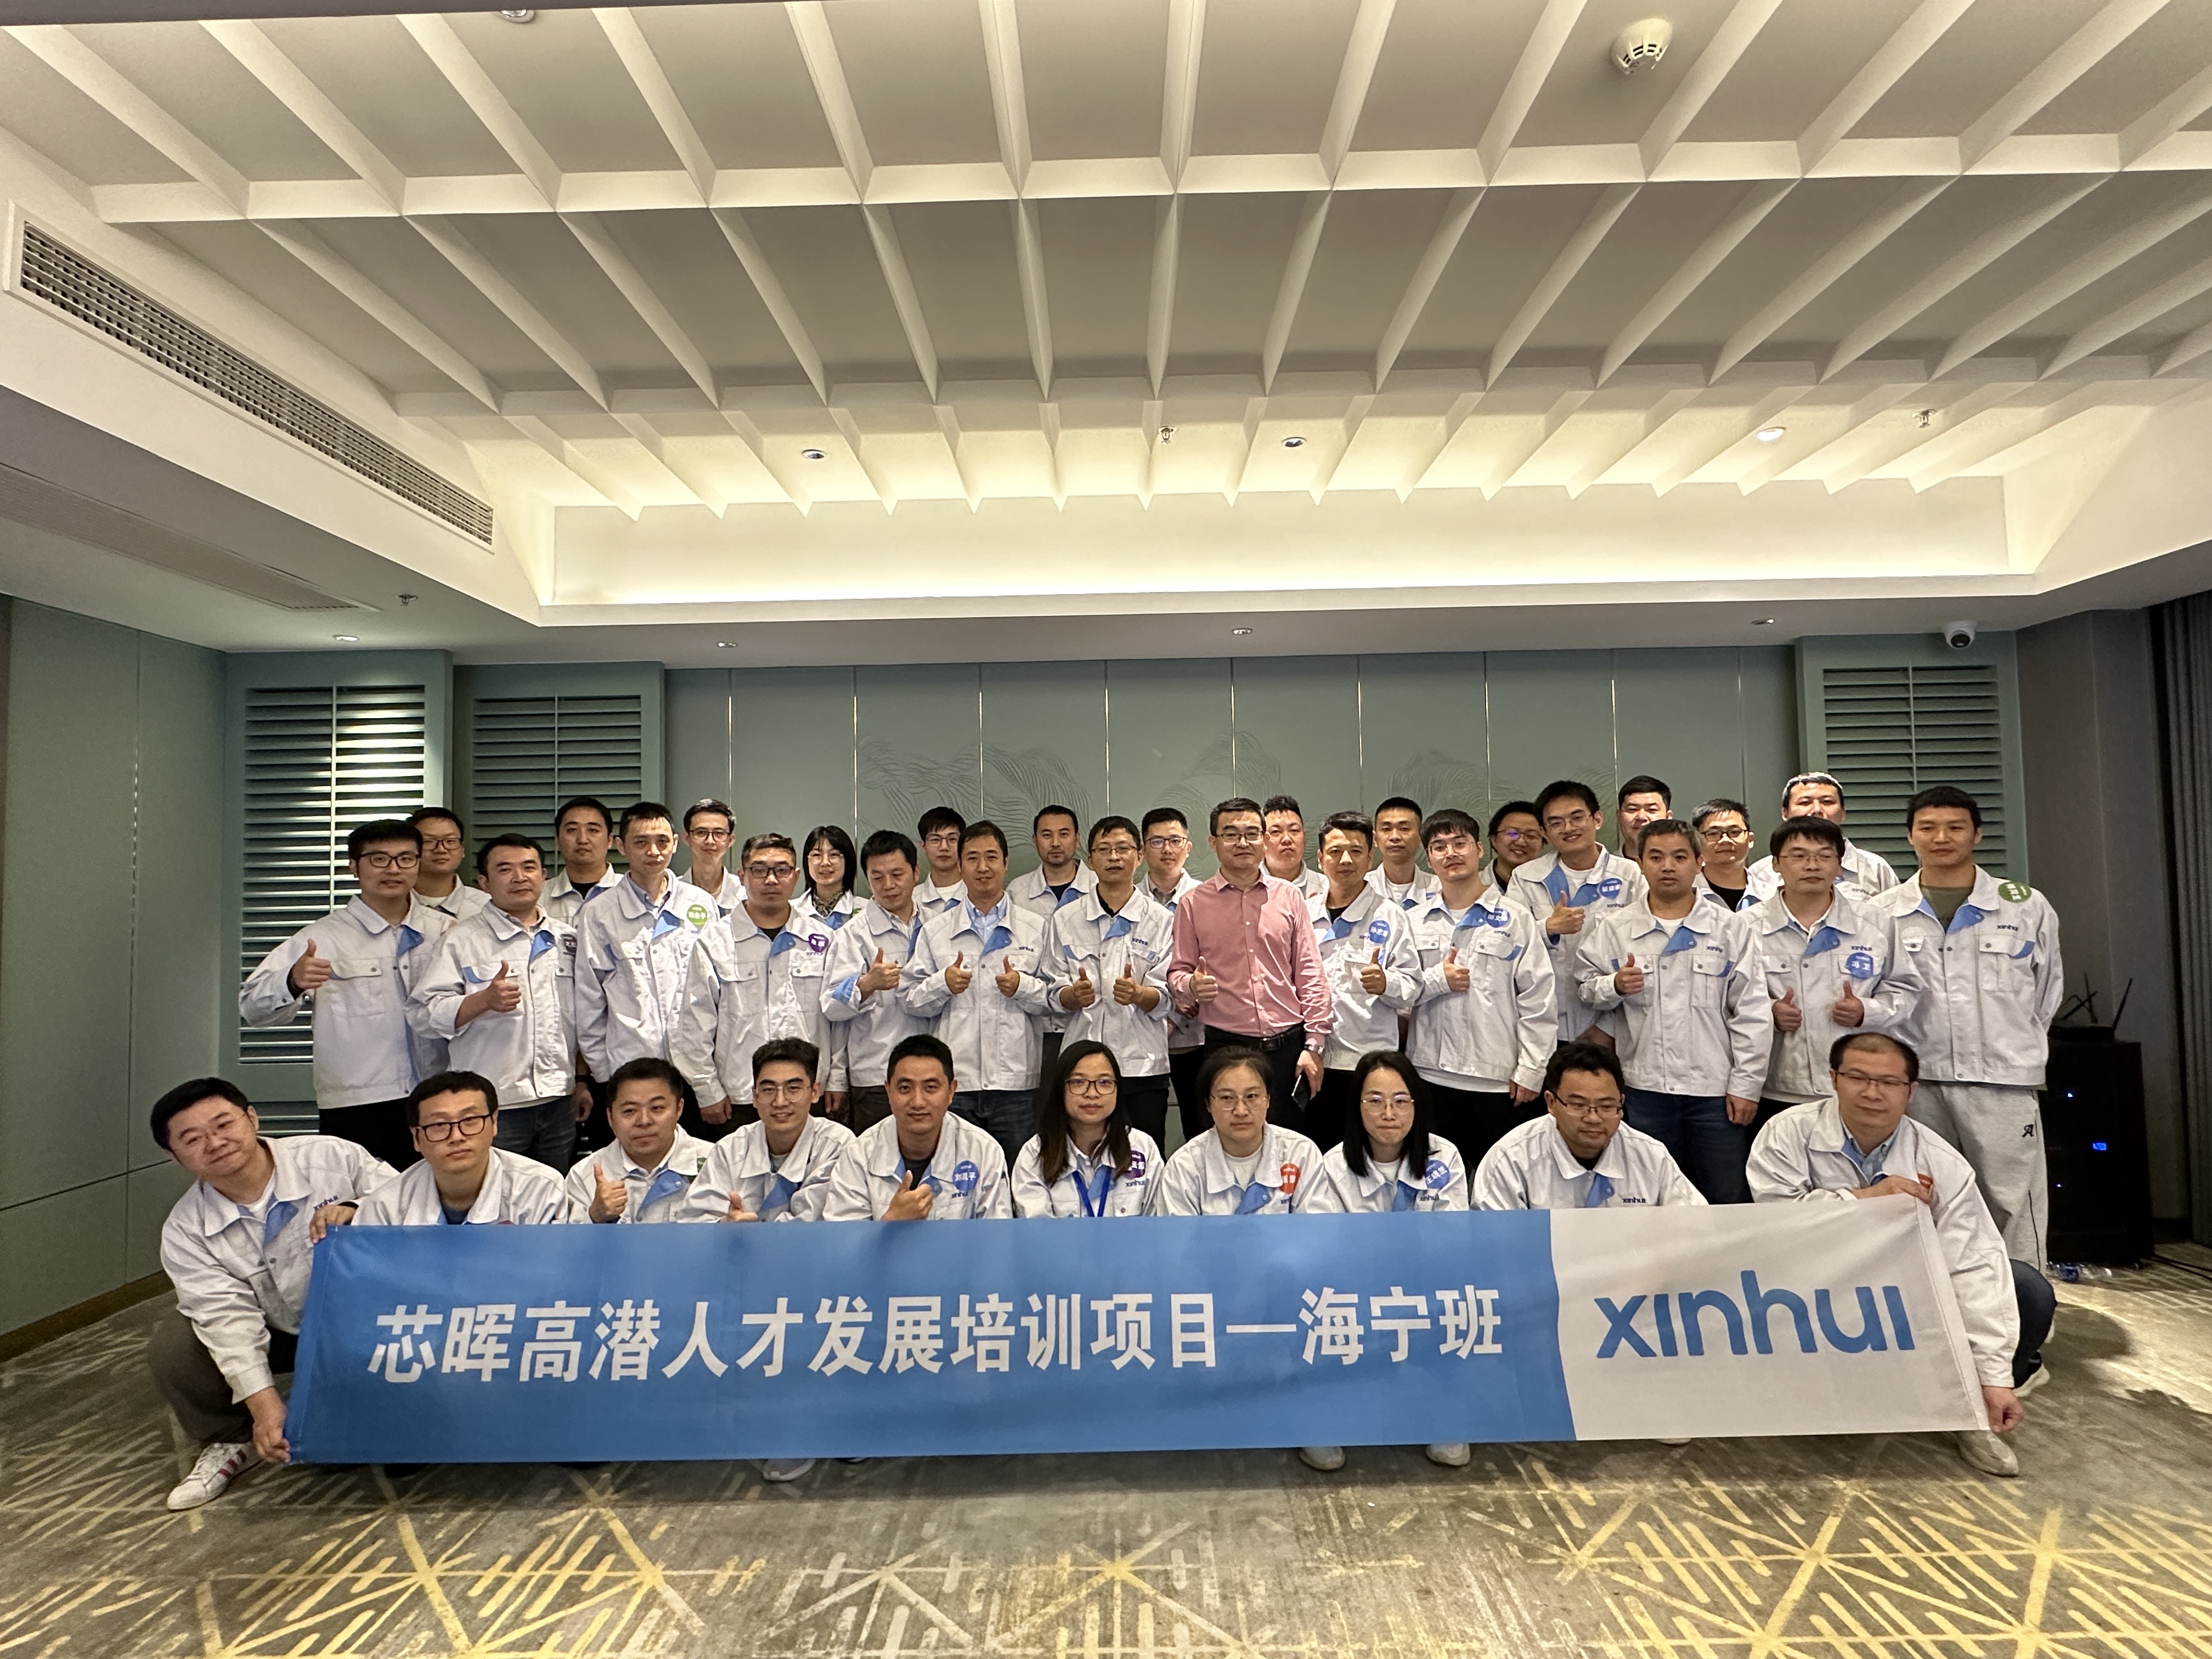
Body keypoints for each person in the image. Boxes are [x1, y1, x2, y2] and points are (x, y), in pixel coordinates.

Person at [1748, 1031, 2052, 1477]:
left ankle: (1971, 1412)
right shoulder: (1787, 1132)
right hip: (1811, 1283)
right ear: (1833, 1079)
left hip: (1903, 1288)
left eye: (1889, 1082)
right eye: (1858, 1078)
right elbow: (1774, 1223)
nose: (1872, 1093)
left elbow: (1972, 1264)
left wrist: (1993, 1377)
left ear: (1911, 1092)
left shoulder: (1941, 1161)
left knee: (2027, 1289)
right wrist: (1867, 1199)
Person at [148, 1078, 393, 1510]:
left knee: (333, 1457)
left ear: (252, 1119)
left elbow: (409, 1201)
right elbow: (224, 1317)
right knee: (176, 1345)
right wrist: (264, 1406)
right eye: (193, 1139)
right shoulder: (185, 1229)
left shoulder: (330, 1157)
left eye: (224, 1124)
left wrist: (360, 1210)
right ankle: (230, 1438)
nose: (215, 1143)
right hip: (279, 1329)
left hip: (365, 1322)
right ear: (174, 1156)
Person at [1874, 786, 2063, 1265]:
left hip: (2002, 1081)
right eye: (1928, 828)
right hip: (1919, 1083)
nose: (1941, 838)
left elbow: (2046, 994)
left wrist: (2012, 1045)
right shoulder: (1881, 912)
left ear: (1977, 834)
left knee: (2013, 1203)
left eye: (1955, 827)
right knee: (1921, 1198)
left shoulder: (2025, 906)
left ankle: (2022, 1304)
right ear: (1910, 836)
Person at [1572, 819, 1769, 1203]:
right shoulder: (1616, 928)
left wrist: (1746, 1087)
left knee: (1725, 1197)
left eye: (1679, 857)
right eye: (1656, 857)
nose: (1667, 867)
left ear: (1699, 862)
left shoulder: (1730, 929)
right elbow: (1584, 989)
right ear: (1640, 864)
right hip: (1644, 1090)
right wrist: (1614, 985)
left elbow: (1753, 1013)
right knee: (1649, 1197)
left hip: (1715, 1092)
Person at [239, 817, 452, 1170]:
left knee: (444, 1195)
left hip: (440, 1094)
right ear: (354, 866)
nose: (393, 869)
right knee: (363, 1198)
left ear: (418, 863)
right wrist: (292, 980)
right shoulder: (324, 937)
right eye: (379, 859)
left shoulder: (446, 931)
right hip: (360, 1102)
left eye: (405, 859)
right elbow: (252, 1008)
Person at [1294, 1051, 1471, 1474]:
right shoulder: (1333, 1166)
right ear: (1357, 1106)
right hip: (1353, 1293)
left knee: (1459, 1301)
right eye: (1374, 1101)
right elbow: (1325, 1250)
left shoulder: (1443, 1157)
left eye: (1400, 1101)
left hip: (1424, 1289)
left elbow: (1452, 1242)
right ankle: (1322, 1415)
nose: (1388, 1113)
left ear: (1417, 1104)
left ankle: (1443, 1410)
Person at [409, 833, 588, 1171]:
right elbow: (422, 1014)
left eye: (529, 868)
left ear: (543, 876)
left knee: (554, 1192)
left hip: (559, 1099)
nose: (519, 877)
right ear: (485, 883)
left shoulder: (567, 938)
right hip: (494, 1104)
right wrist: (482, 1001)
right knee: (496, 1194)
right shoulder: (462, 940)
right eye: (505, 870)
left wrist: (581, 1080)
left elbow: (582, 1017)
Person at [1168, 797, 1331, 1126]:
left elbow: (1310, 973)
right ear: (1213, 842)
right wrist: (1191, 985)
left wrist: (1314, 1045)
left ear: (1264, 840)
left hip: (1288, 1047)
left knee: (1289, 1141)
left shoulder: (1289, 897)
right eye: (1231, 834)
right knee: (1230, 1137)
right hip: (1225, 1047)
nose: (1242, 843)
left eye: (1252, 833)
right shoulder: (1193, 903)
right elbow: (1178, 972)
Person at [1752, 816, 1921, 1131]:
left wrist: (1866, 1011)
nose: (1812, 865)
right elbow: (1726, 1001)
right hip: (1775, 1084)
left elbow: (1906, 989)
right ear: (1776, 864)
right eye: (1799, 856)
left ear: (1840, 864)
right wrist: (1768, 1011)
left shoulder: (1875, 923)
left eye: (1824, 856)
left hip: (1858, 1084)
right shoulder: (1746, 927)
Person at [1403, 808, 1554, 1163]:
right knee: (1437, 1182)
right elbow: (1396, 993)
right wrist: (1437, 981)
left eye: (1460, 843)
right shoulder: (1412, 921)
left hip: (1498, 1079)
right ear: (1429, 858)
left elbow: (1539, 999)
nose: (1451, 853)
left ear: (1480, 849)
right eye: (1439, 847)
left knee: (1502, 1182)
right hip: (1429, 1076)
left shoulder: (1515, 918)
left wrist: (1532, 1070)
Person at [673, 832, 843, 1135]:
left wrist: (837, 1080)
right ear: (742, 876)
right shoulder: (715, 942)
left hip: (807, 1092)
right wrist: (707, 1090)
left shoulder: (823, 940)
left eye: (782, 870)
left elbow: (839, 1020)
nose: (771, 879)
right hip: (739, 1094)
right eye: (760, 870)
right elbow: (693, 1026)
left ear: (796, 876)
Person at [902, 821, 1049, 1165]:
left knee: (1017, 1176)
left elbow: (1054, 1000)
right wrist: (942, 983)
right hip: (957, 1083)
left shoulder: (1035, 927)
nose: (983, 867)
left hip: (1015, 1085)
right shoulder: (936, 930)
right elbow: (909, 999)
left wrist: (1023, 987)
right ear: (960, 865)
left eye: (991, 857)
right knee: (955, 1177)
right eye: (972, 858)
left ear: (1006, 862)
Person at [1039, 817, 1175, 1143]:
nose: (1114, 857)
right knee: (1081, 1151)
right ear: (1090, 860)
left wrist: (1140, 995)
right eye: (1104, 850)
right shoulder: (1066, 919)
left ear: (1139, 855)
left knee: (1143, 1156)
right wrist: (1072, 996)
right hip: (1082, 1067)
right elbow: (1050, 990)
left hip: (1142, 1065)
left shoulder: (1162, 920)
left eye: (1123, 849)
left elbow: (1171, 997)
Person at [572, 801, 714, 1091]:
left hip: (698, 1068)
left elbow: (718, 989)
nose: (654, 851)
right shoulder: (599, 913)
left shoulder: (700, 903)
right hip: (629, 1069)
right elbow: (589, 999)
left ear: (675, 843)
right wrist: (605, 1073)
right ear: (621, 846)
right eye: (641, 843)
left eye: (662, 842)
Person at [1472, 1042, 1706, 1210]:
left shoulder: (1650, 1156)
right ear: (1551, 1103)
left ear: (1621, 1103)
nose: (1593, 1118)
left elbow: (1695, 1228)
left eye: (1607, 1106)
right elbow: (1497, 1245)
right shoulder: (1510, 1159)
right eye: (1578, 1105)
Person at [1306, 812, 1421, 1152]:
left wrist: (1386, 983)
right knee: (1317, 1151)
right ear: (1320, 859)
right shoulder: (1304, 913)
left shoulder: (1390, 915)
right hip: (1313, 1058)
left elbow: (1412, 987)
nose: (1346, 860)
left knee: (1365, 1153)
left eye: (1356, 851)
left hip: (1367, 1062)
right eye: (1336, 851)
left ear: (1370, 859)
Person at [1509, 781, 1647, 1047]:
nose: (1568, 828)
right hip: (1544, 1026)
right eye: (1556, 823)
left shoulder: (1630, 875)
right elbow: (1509, 944)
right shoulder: (1526, 878)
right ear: (1544, 832)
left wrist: (1608, 1029)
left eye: (1577, 818)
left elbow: (1645, 949)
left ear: (1597, 819)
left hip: (1613, 1027)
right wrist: (1547, 928)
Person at [818, 1034, 1013, 1220]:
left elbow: (997, 1236)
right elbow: (845, 1240)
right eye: (905, 1088)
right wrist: (892, 1222)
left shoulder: (984, 1151)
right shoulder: (859, 1156)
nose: (918, 1102)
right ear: (888, 1091)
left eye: (931, 1088)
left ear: (951, 1091)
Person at [354, 1071, 584, 1224]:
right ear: (416, 1137)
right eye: (439, 1125)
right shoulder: (385, 1208)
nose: (457, 1136)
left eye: (470, 1120)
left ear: (494, 1123)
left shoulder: (540, 1189)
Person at [823, 830, 933, 1132]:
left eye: (897, 874)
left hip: (934, 1071)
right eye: (877, 877)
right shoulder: (854, 934)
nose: (888, 885)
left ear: (916, 872)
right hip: (876, 1074)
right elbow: (831, 1006)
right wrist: (866, 985)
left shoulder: (938, 925)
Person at [684, 1038, 857, 1225]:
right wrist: (725, 1225)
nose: (780, 1102)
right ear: (754, 1096)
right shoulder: (729, 1150)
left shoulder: (837, 1145)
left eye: (793, 1089)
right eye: (768, 1090)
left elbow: (822, 1220)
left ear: (815, 1092)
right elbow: (694, 1221)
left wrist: (756, 1233)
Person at [1148, 1046, 1323, 1215]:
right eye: (1227, 1098)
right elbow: (1178, 1234)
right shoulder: (1184, 1167)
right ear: (1208, 1104)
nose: (1240, 1111)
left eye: (1252, 1096)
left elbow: (1315, 1229)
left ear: (1268, 1099)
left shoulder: (1301, 1154)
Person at [1011, 1040, 1164, 1216]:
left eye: (1104, 1082)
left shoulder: (1142, 1148)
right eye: (1078, 1082)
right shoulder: (1035, 1154)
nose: (1092, 1093)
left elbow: (1158, 1222)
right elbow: (1037, 1228)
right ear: (1060, 1089)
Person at [566, 1057, 713, 1223]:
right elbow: (569, 1239)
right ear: (610, 1117)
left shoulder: (715, 1163)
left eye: (657, 1108)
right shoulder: (583, 1176)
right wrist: (594, 1216)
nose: (644, 1121)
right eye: (630, 1111)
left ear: (679, 1109)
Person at [1012, 804, 1098, 1077]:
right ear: (1035, 840)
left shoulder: (1098, 887)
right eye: (1047, 835)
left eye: (1064, 834)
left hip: (1089, 1024)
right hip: (1036, 1026)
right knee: (1043, 1101)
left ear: (1077, 838)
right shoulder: (1017, 893)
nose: (1056, 843)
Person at [1139, 806, 1208, 1140]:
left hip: (1196, 1037)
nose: (1167, 849)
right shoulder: (1129, 900)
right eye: (1157, 841)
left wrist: (1186, 998)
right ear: (1142, 850)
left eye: (1175, 840)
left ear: (1188, 847)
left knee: (1201, 1127)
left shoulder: (1207, 898)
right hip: (1141, 1036)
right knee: (1145, 1133)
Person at [1743, 773, 1899, 902]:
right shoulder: (1761, 873)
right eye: (1805, 802)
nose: (1817, 810)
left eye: (1827, 802)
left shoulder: (1875, 869)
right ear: (1785, 813)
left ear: (1843, 812)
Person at [543, 795, 622, 925]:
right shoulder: (537, 897)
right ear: (557, 840)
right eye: (572, 830)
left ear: (610, 840)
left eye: (593, 830)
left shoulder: (632, 893)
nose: (582, 839)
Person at [409, 807, 490, 922]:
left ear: (462, 849)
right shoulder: (393, 904)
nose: (441, 850)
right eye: (428, 841)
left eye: (450, 841)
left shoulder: (487, 906)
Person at [1364, 796, 1440, 910]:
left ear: (1421, 837)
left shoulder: (1440, 889)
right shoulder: (1360, 888)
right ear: (1375, 839)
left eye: (1404, 829)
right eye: (1386, 829)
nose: (1395, 837)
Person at [682, 799, 744, 918]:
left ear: (731, 840)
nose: (710, 841)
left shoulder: (745, 894)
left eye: (719, 833)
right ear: (687, 838)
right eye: (701, 833)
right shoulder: (672, 893)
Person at [1691, 798, 1756, 911]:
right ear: (1696, 841)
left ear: (1750, 840)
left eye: (1734, 832)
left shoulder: (1770, 894)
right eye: (1713, 833)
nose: (1725, 840)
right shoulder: (1685, 894)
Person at [1262, 795, 1329, 902]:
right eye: (1276, 832)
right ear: (1262, 840)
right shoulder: (1246, 886)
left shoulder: (1327, 889)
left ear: (1304, 837)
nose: (1287, 839)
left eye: (1294, 830)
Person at [798, 825, 862, 929]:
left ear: (847, 860)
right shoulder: (790, 911)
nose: (825, 862)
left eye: (834, 855)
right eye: (816, 855)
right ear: (807, 861)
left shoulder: (866, 911)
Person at [915, 806, 969, 916]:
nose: (944, 847)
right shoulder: (912, 900)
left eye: (952, 839)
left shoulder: (979, 895)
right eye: (935, 840)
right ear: (923, 846)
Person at [1486, 800, 1545, 895]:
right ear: (1494, 839)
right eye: (1512, 834)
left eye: (1531, 836)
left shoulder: (1554, 886)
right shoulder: (1471, 886)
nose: (1521, 842)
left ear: (1543, 844)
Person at [1615, 776, 1673, 855]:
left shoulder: (1685, 863)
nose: (1641, 817)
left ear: (1668, 817)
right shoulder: (1604, 863)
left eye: (1652, 810)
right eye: (1633, 809)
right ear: (1619, 816)